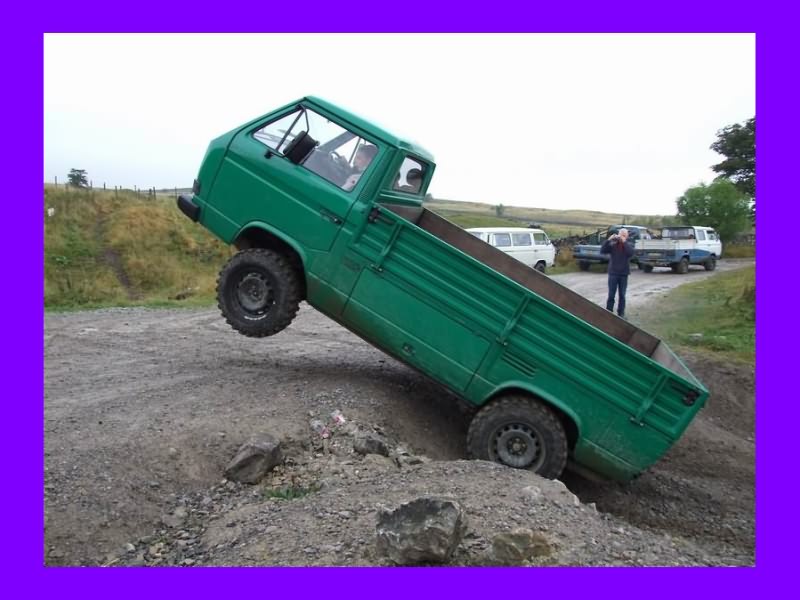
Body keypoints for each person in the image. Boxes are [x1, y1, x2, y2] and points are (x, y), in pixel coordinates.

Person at [600, 228, 635, 319]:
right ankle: (608, 312)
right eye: (621, 235)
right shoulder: (613, 244)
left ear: (627, 236)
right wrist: (608, 240)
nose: (622, 236)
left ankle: (621, 314)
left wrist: (624, 242)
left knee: (622, 295)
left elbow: (630, 253)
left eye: (624, 235)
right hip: (613, 273)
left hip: (623, 274)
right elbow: (602, 250)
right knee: (611, 294)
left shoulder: (629, 244)